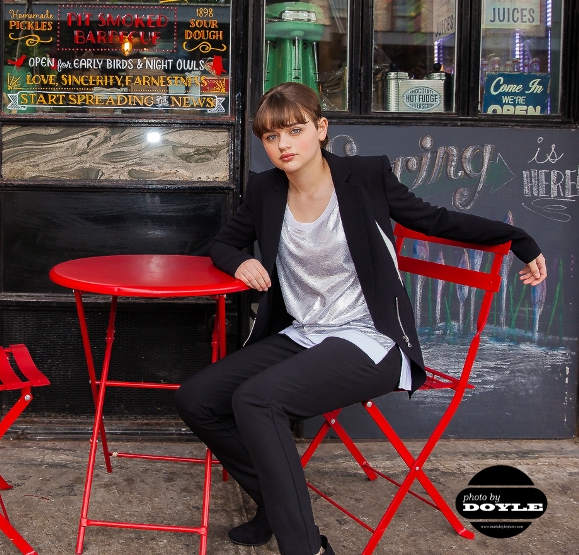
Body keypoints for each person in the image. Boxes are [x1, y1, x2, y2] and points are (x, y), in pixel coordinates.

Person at [174, 82, 547, 555]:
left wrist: (518, 238)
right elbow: (223, 243)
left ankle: (306, 547)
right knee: (197, 398)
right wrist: (240, 261)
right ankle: (275, 502)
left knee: (257, 400)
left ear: (321, 129)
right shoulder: (266, 190)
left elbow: (434, 219)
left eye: (295, 130)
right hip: (305, 334)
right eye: (271, 136)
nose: (284, 144)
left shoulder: (365, 177)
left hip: (371, 340)